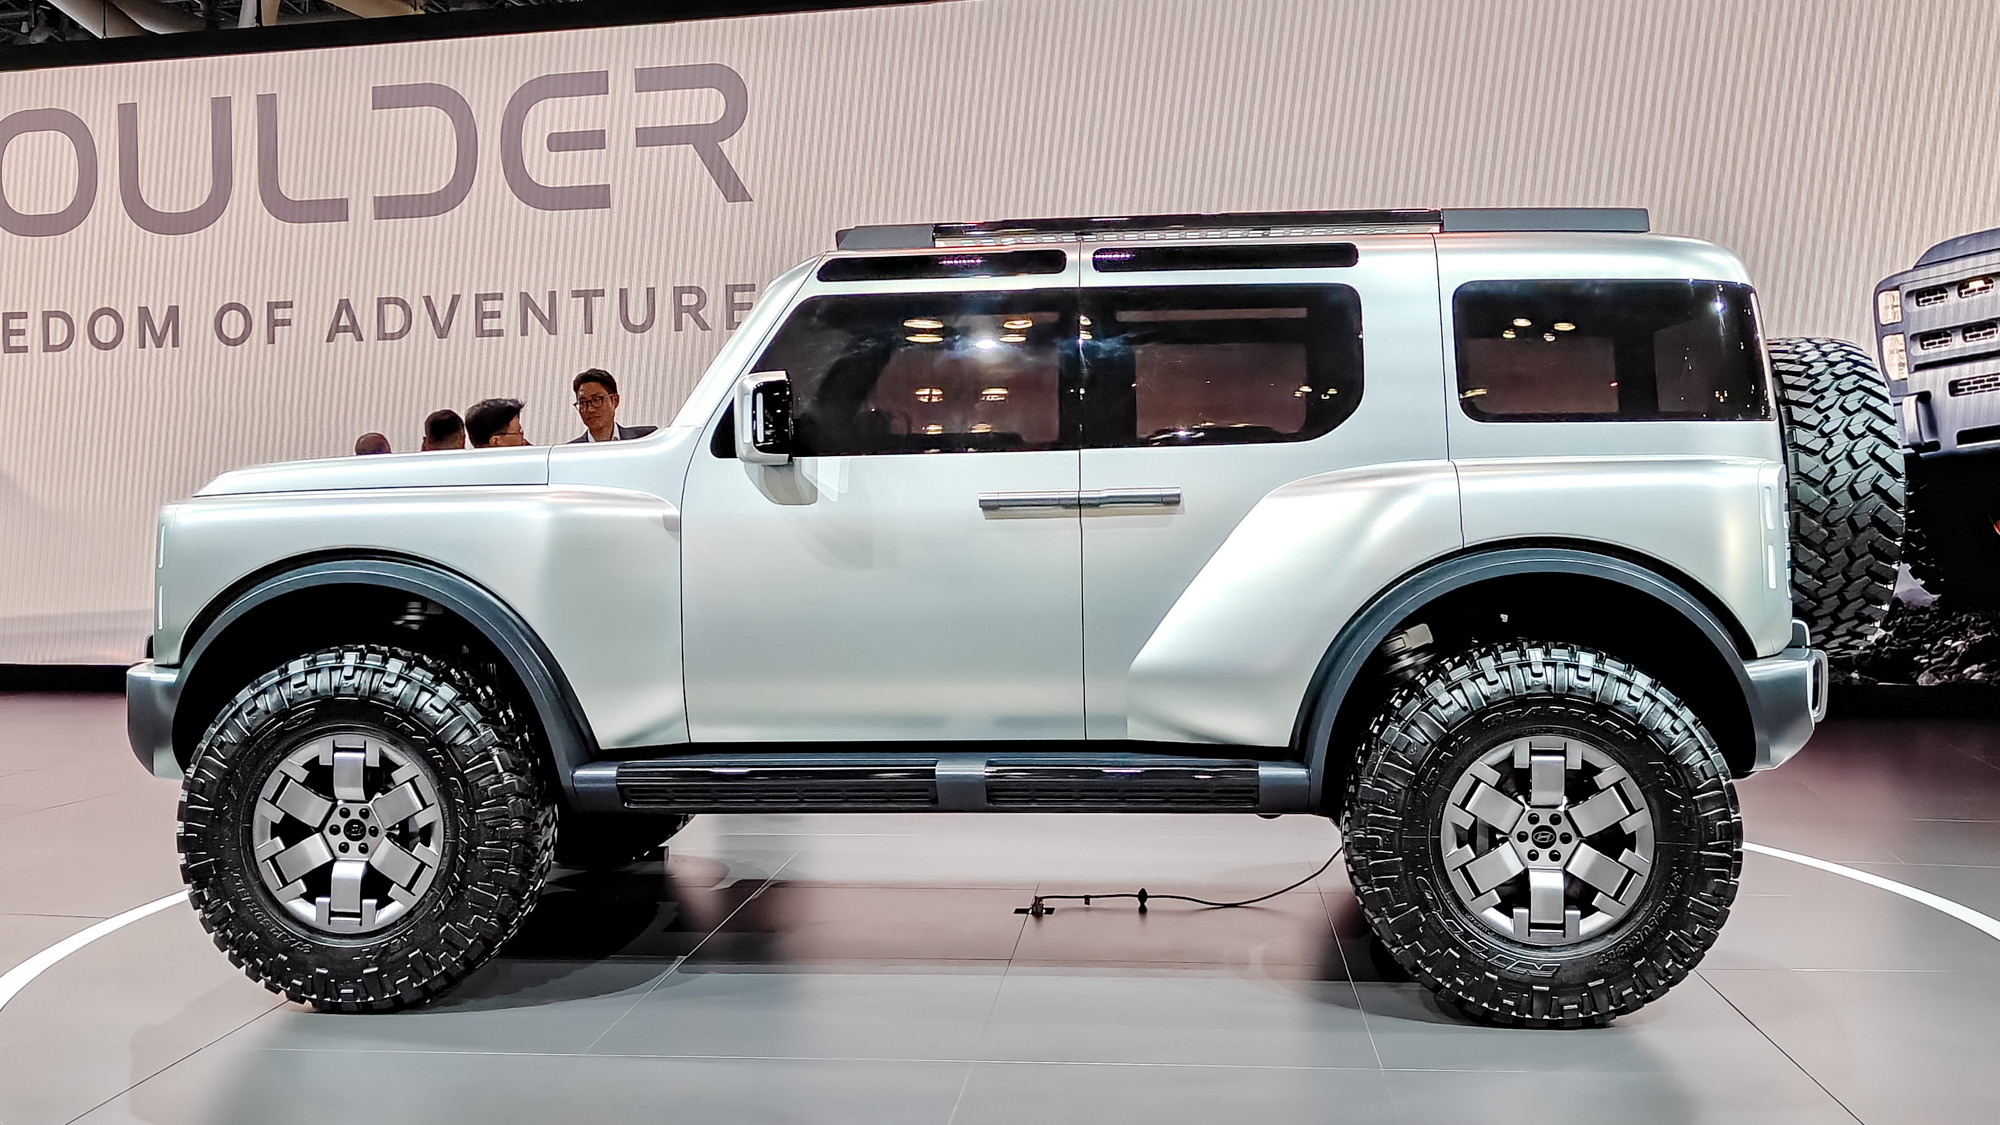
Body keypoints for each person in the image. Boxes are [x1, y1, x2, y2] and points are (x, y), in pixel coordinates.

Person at [566, 369, 657, 443]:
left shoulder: (646, 439)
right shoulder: (571, 452)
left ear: (615, 400)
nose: (590, 409)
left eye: (596, 400)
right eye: (583, 402)